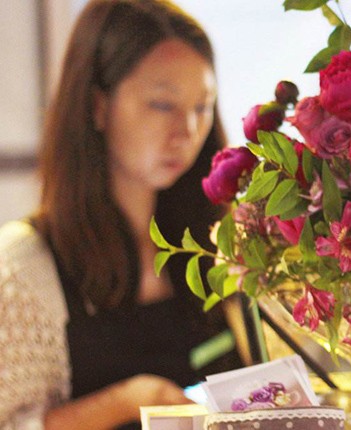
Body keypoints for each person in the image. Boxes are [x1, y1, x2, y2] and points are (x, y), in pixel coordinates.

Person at [0, 1, 248, 428]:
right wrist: (132, 400)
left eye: (202, 107)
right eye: (162, 105)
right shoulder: (26, 270)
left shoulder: (216, 237)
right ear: (97, 105)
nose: (187, 131)